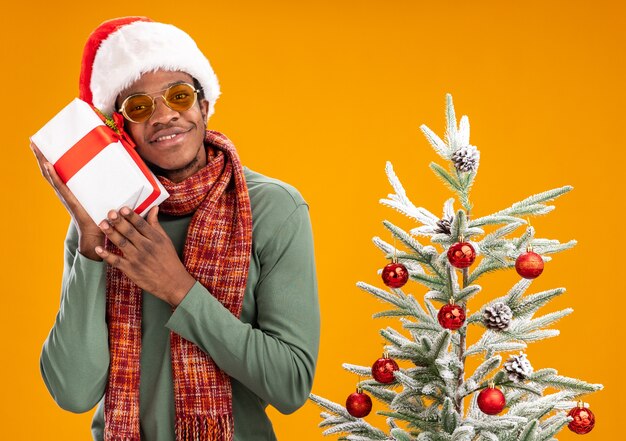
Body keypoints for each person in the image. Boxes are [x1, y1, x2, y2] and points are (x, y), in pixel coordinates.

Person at [31, 16, 319, 441]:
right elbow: (73, 392)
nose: (164, 116)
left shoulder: (273, 207)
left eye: (179, 96)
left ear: (204, 106)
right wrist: (91, 254)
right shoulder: (102, 219)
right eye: (140, 107)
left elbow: (291, 384)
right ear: (122, 127)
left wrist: (177, 287)